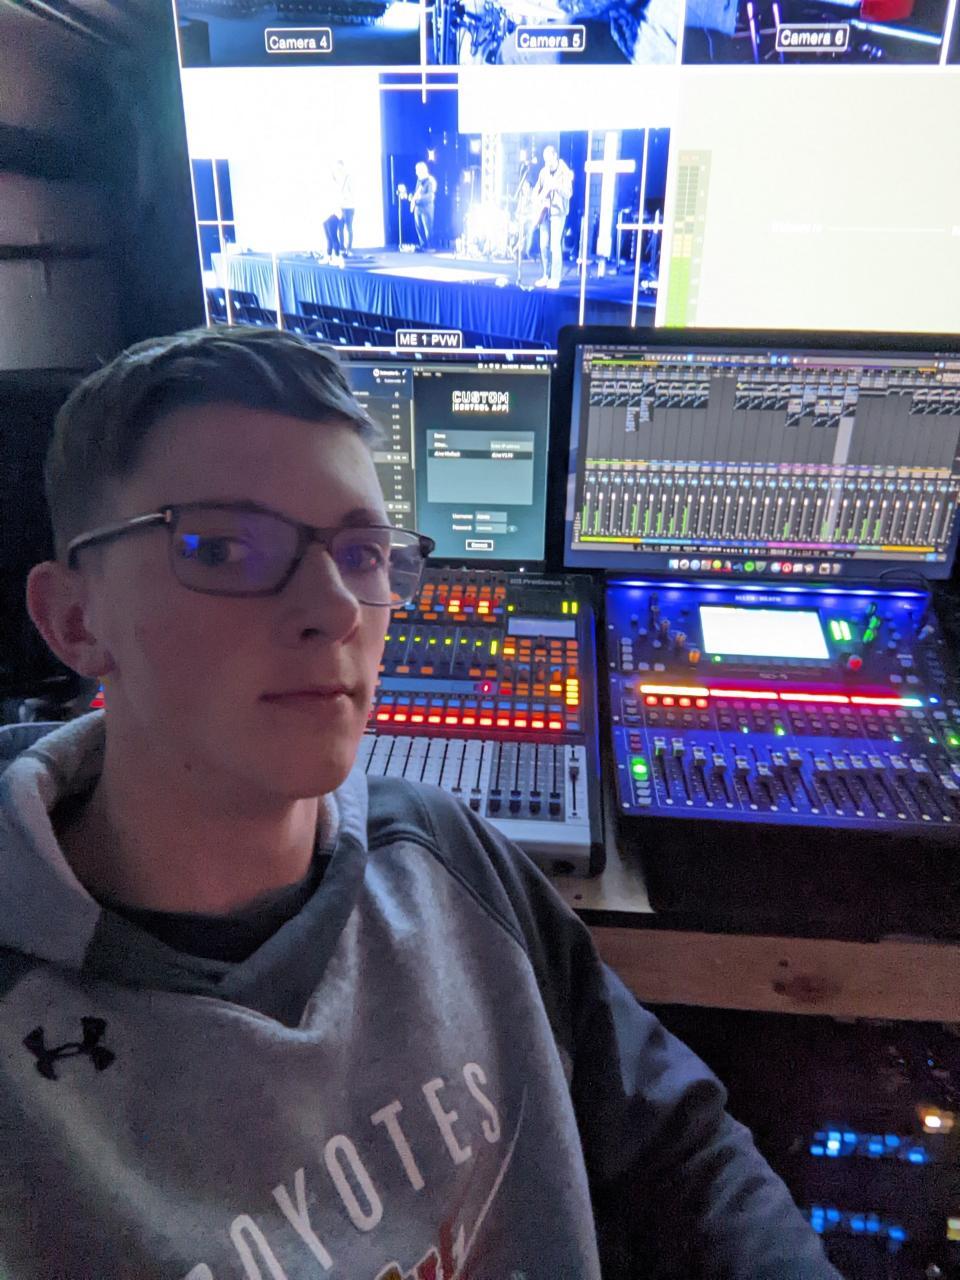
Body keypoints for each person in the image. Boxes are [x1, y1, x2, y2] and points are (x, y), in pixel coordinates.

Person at [0, 326, 844, 1280]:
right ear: (74, 619)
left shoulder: (447, 851)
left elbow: (682, 1153)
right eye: (225, 547)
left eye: (362, 553)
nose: (335, 609)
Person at [531, 143, 574, 288]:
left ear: (555, 156)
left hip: (558, 212)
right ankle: (546, 275)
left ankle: (555, 278)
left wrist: (557, 187)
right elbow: (536, 190)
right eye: (545, 160)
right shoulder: (543, 172)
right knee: (543, 245)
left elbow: (568, 193)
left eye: (549, 160)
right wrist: (537, 199)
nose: (547, 163)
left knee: (555, 246)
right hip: (545, 212)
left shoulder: (565, 172)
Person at [410, 160, 437, 252]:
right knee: (419, 228)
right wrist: (412, 197)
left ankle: (430, 246)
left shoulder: (430, 181)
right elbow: (416, 193)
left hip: (426, 208)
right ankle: (423, 245)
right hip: (418, 208)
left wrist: (419, 198)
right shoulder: (419, 181)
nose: (416, 172)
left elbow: (430, 196)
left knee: (427, 228)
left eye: (417, 170)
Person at [332, 159, 355, 257]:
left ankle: (349, 249)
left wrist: (345, 196)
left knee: (349, 228)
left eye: (340, 168)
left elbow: (353, 192)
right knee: (340, 228)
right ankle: (342, 248)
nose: (339, 170)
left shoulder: (348, 177)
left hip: (348, 206)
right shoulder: (336, 179)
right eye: (337, 168)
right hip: (340, 207)